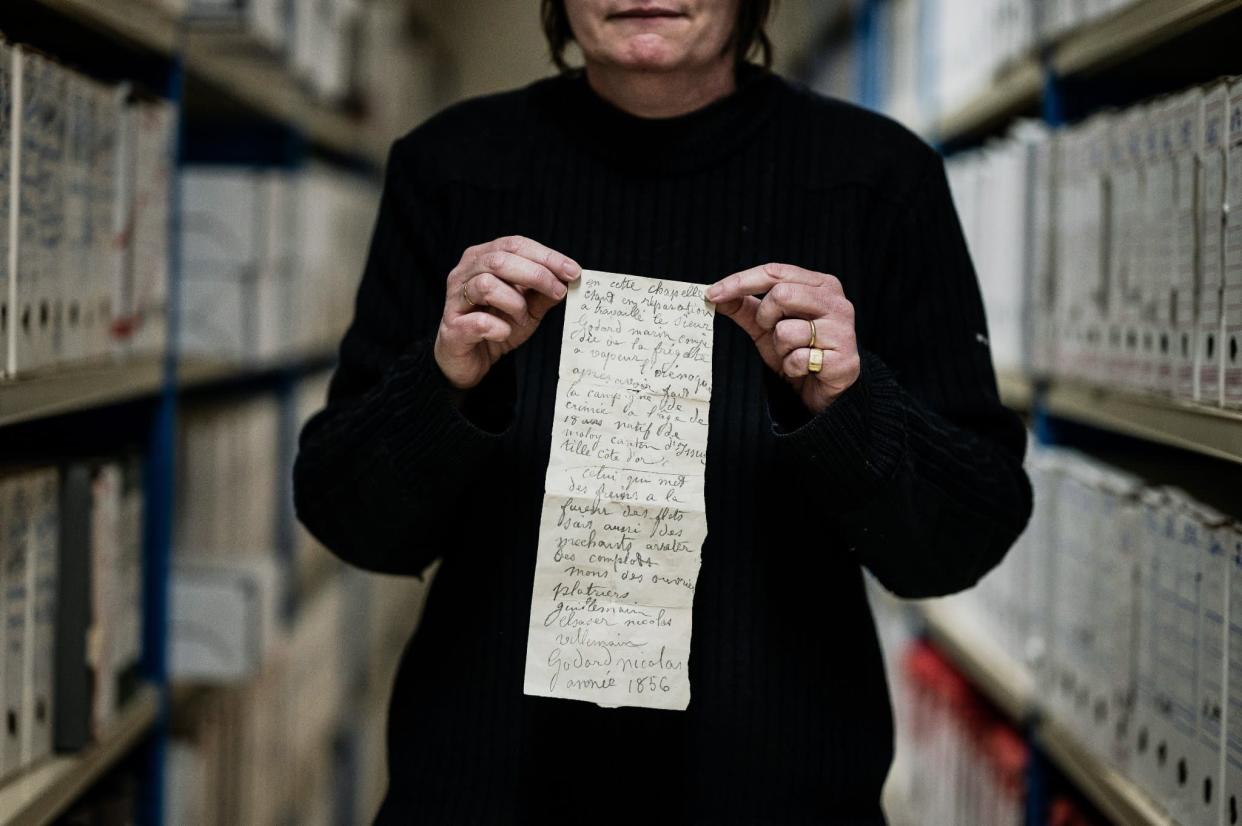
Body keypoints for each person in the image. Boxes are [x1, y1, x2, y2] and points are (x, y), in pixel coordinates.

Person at [293, 0, 1034, 822]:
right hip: (489, 788)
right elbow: (349, 521)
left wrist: (845, 400)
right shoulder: (451, 168)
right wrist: (444, 385)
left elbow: (961, 541)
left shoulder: (877, 178)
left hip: (780, 795)